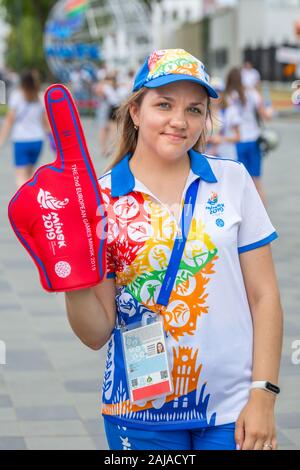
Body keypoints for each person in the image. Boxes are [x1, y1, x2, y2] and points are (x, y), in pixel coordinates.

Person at [65, 48, 283, 451]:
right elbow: (96, 332)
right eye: (164, 105)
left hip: (233, 410)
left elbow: (264, 295)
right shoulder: (101, 198)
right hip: (139, 412)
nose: (180, 121)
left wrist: (263, 394)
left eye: (195, 110)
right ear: (135, 111)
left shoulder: (232, 181)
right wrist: (66, 271)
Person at [225, 67, 273, 206]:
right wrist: (270, 111)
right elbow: (266, 115)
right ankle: (262, 215)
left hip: (236, 142)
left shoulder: (228, 96)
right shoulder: (253, 94)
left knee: (239, 182)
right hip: (253, 140)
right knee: (256, 180)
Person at [0, 70, 49, 188]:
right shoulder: (41, 97)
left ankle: (24, 204)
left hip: (21, 140)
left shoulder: (17, 96)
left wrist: (1, 140)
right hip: (37, 140)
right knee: (29, 176)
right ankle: (30, 202)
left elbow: (9, 121)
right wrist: (53, 139)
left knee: (20, 177)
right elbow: (45, 122)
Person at [206, 77, 241, 160]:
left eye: (219, 92)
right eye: (213, 92)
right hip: (207, 156)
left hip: (227, 157)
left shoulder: (231, 111)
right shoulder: (202, 111)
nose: (216, 95)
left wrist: (221, 139)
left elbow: (238, 137)